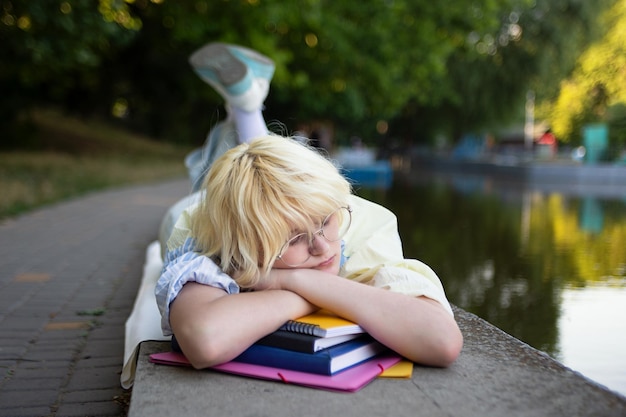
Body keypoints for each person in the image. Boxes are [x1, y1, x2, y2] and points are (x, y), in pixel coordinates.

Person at [155, 42, 463, 370]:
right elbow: (205, 339)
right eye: (293, 240)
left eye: (324, 221)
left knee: (250, 175)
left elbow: (442, 342)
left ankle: (244, 109)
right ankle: (244, 110)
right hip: (199, 206)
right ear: (252, 250)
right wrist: (313, 292)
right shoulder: (204, 235)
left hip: (279, 207)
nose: (321, 246)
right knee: (212, 174)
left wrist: (295, 280)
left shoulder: (361, 226)